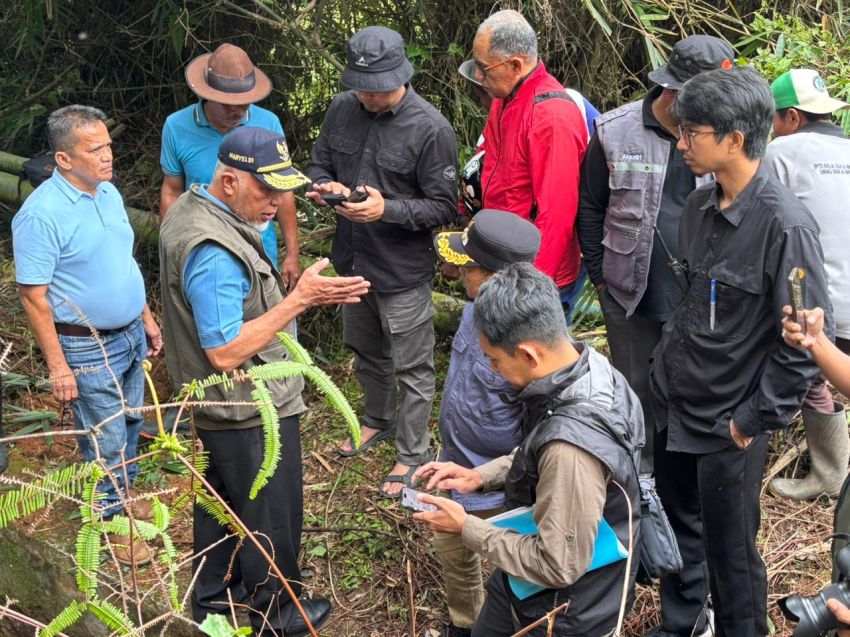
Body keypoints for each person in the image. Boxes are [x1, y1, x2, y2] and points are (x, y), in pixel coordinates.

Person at [159, 126, 370, 636]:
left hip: (217, 408)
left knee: (220, 508)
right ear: (228, 181)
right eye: (265, 190)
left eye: (282, 190)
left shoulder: (194, 206)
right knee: (268, 516)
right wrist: (299, 300)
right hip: (247, 410)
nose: (277, 202)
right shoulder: (214, 252)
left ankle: (212, 604)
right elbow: (224, 350)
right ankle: (274, 613)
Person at [648, 66, 832, 637]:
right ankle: (683, 623)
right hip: (677, 403)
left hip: (730, 421)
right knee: (680, 529)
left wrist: (749, 422)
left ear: (734, 138)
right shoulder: (701, 209)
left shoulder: (786, 227)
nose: (681, 145)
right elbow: (693, 304)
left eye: (691, 133)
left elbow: (802, 347)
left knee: (732, 554)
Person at [413, 262, 643, 637]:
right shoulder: (591, 369)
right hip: (527, 581)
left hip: (564, 611)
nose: (492, 368)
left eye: (495, 360)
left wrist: (466, 527)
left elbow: (559, 566)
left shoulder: (570, 451)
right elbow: (542, 446)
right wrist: (481, 476)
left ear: (529, 355)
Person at [306, 26, 458, 497]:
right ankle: (377, 419)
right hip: (351, 261)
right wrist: (326, 188)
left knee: (412, 366)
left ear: (402, 75)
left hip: (401, 270)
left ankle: (413, 452)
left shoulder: (431, 128)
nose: (368, 96)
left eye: (378, 88)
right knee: (365, 348)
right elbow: (317, 164)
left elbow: (444, 207)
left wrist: (385, 209)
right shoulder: (341, 108)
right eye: (361, 86)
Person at [12, 104, 162, 566]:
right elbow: (34, 297)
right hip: (86, 343)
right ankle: (109, 523)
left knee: (133, 420)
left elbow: (122, 264)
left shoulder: (107, 194)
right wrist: (59, 366)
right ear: (63, 159)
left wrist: (147, 317)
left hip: (131, 331)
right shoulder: (41, 216)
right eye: (94, 149)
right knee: (106, 436)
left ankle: (122, 499)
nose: (107, 156)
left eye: (108, 146)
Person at [577, 35, 735, 474]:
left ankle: (683, 476)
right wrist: (601, 277)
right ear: (672, 90)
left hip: (703, 295)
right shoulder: (614, 130)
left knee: (693, 388)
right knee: (636, 390)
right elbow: (589, 206)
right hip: (631, 293)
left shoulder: (725, 135)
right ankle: (641, 481)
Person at [431, 211, 541, 637]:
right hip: (454, 461)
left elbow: (537, 431)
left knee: (507, 559)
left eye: (467, 265)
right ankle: (466, 622)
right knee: (451, 548)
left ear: (496, 278)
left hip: (498, 479)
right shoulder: (472, 311)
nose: (456, 271)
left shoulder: (529, 347)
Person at [763, 68, 850, 501]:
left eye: (774, 121)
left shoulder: (784, 152)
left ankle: (830, 473)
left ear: (792, 118)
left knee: (811, 378)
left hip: (824, 305)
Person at [471, 10, 589, 316]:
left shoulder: (551, 116)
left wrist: (532, 288)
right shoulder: (504, 97)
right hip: (501, 259)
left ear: (515, 65)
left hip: (535, 272)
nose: (479, 78)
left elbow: (557, 214)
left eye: (484, 69)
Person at [160, 43, 301, 288]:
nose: (236, 111)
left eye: (244, 103)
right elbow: (172, 191)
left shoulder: (268, 123)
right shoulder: (176, 126)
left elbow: (283, 190)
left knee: (271, 320)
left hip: (259, 247)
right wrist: (171, 250)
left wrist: (292, 253)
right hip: (201, 244)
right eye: (227, 104)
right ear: (208, 94)